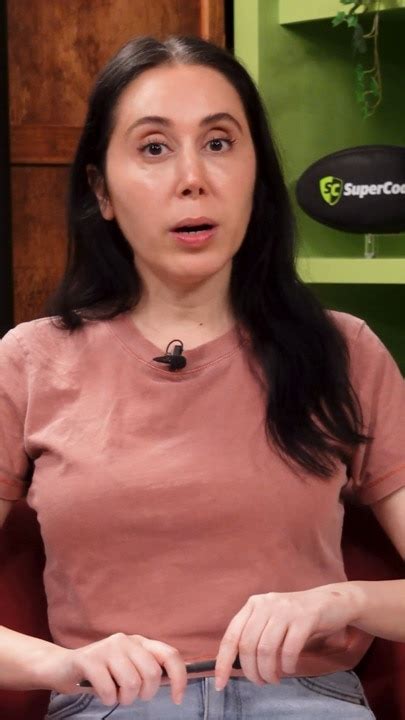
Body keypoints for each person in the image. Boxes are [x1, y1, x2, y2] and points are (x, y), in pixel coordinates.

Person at [0, 34, 404, 720]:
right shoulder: (29, 361)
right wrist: (60, 664)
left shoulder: (345, 352)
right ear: (101, 190)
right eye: (154, 148)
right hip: (113, 704)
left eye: (218, 143)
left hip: (306, 700)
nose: (193, 177)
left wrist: (343, 601)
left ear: (256, 175)